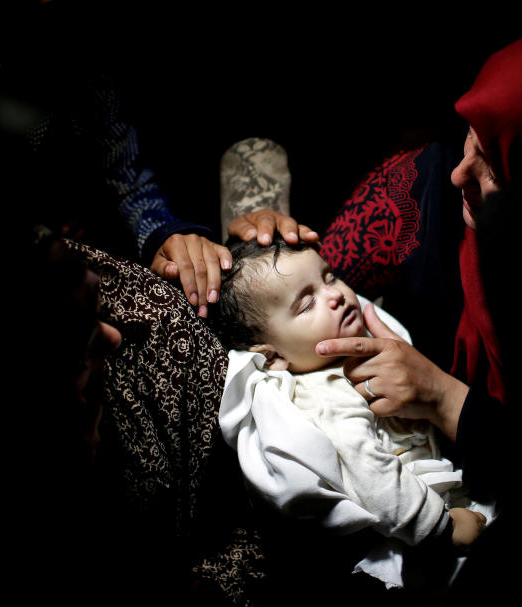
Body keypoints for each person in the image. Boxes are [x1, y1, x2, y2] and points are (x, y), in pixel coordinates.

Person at [302, 17, 522, 599]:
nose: (459, 173)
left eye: (495, 163)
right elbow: (305, 285)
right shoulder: (419, 195)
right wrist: (265, 250)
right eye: (471, 135)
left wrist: (447, 400)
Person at [207, 235, 493, 590]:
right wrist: (440, 527)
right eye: (307, 304)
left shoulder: (369, 354)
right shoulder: (324, 392)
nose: (336, 294)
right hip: (413, 534)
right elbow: (368, 472)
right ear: (273, 357)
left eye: (329, 277)